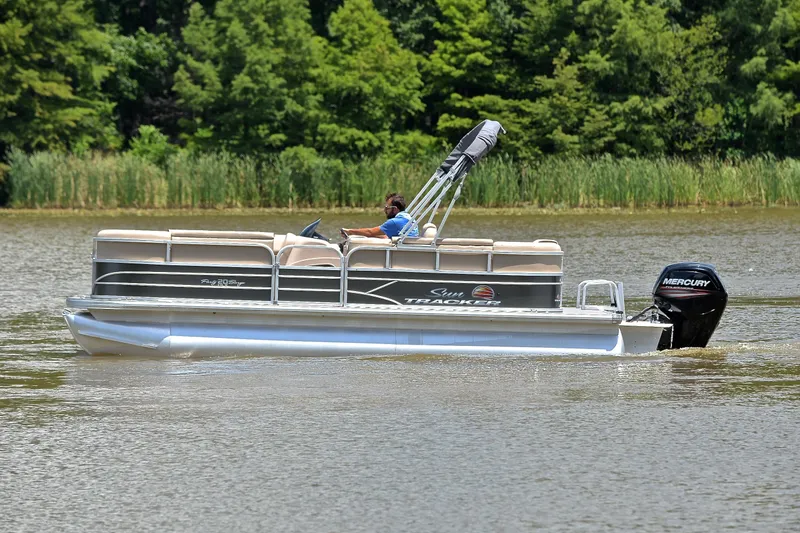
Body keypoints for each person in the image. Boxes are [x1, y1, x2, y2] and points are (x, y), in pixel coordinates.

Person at [341, 192, 420, 239]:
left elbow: (370, 232)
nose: (385, 210)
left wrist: (349, 231)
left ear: (395, 209)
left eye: (387, 208)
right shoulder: (409, 219)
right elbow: (385, 236)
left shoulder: (395, 222)